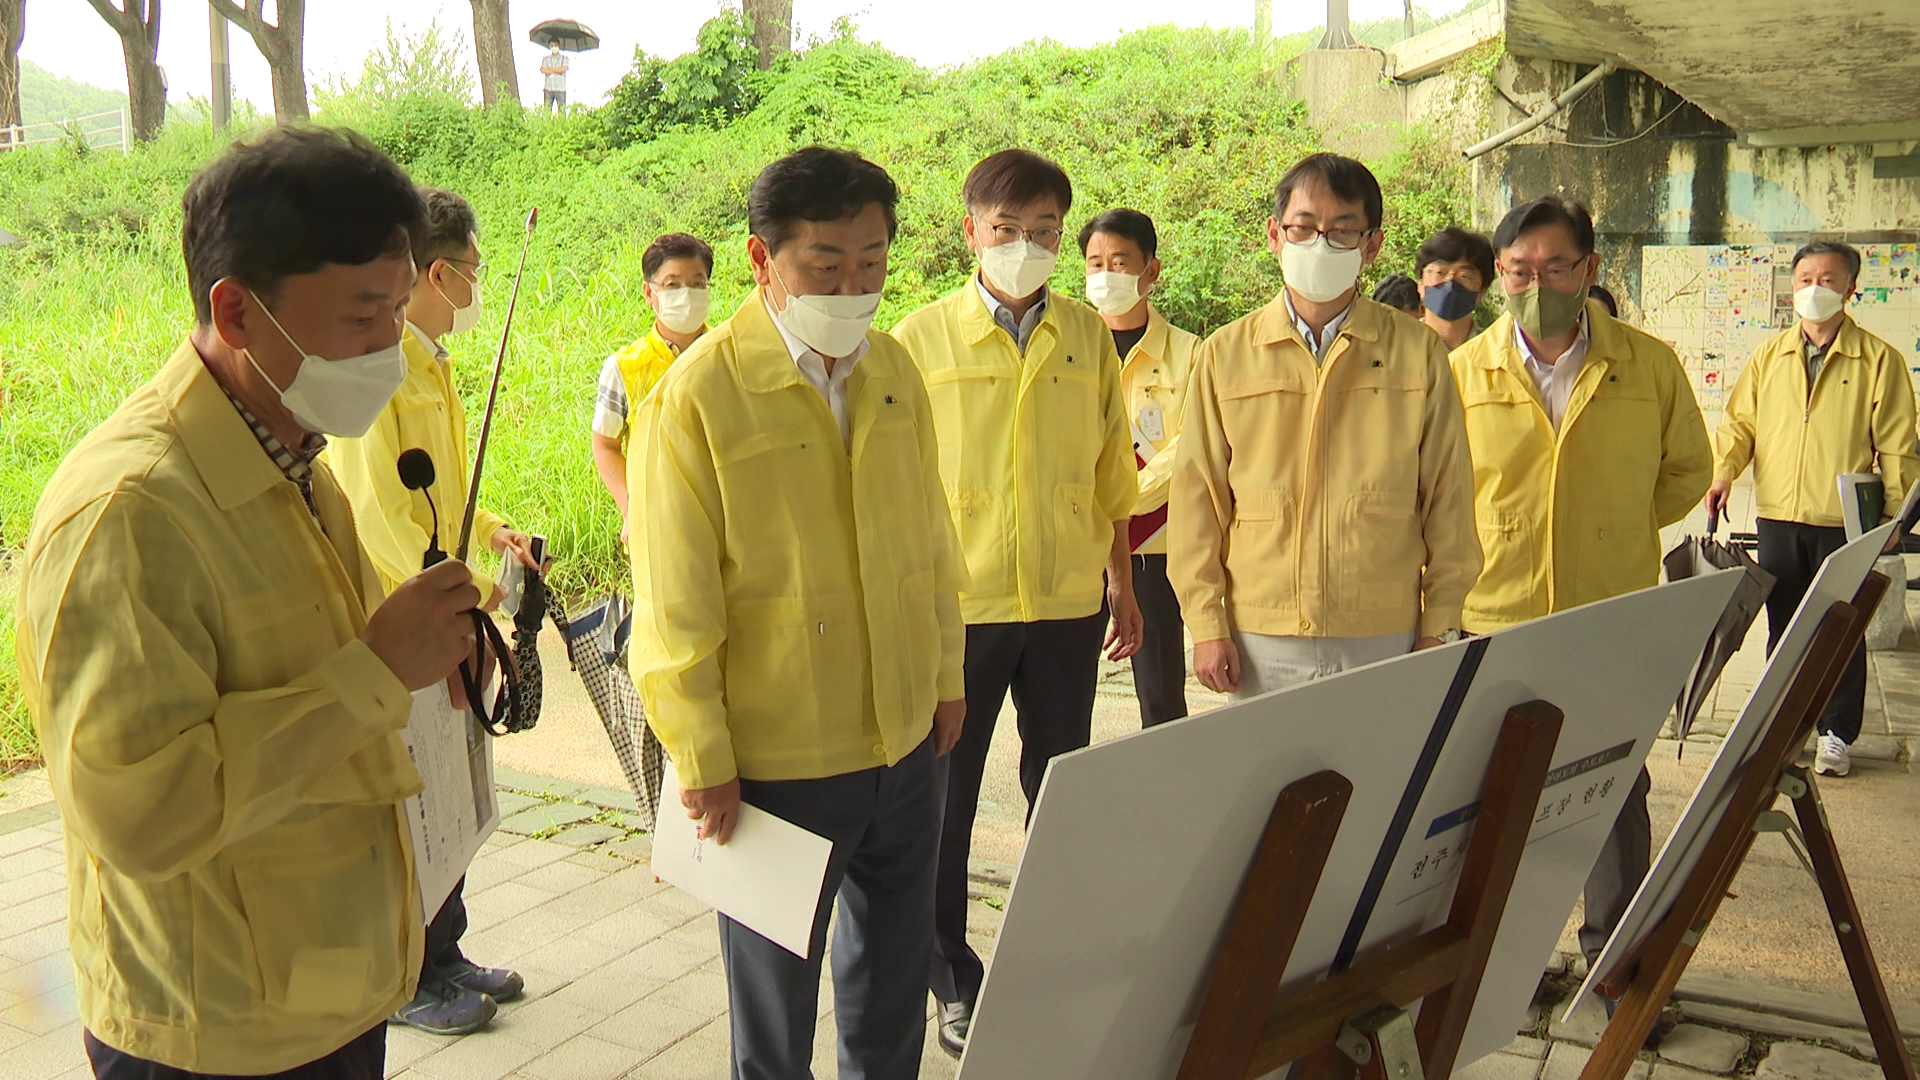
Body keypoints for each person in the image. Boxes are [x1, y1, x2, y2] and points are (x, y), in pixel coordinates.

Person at [14, 127, 492, 1079]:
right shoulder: (130, 512)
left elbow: (333, 674)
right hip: (217, 1031)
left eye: (399, 311)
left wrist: (426, 657)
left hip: (326, 991)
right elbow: (142, 812)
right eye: (361, 319)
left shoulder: (298, 457)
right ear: (235, 312)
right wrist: (378, 670)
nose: (391, 348)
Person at [628, 146, 967, 1078]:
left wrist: (946, 681)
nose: (854, 285)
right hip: (777, 769)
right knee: (775, 1024)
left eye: (873, 260)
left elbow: (932, 545)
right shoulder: (695, 401)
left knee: (890, 999)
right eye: (826, 263)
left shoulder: (892, 369)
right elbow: (673, 604)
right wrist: (701, 757)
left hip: (905, 751)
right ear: (760, 259)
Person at [891, 148, 1141, 1057]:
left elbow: (1113, 476)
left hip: (1068, 605)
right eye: (1007, 230)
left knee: (1061, 788)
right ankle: (952, 976)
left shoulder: (1086, 336)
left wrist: (1121, 583)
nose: (1025, 246)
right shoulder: (916, 342)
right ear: (972, 232)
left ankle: (1055, 959)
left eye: (1043, 232)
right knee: (945, 801)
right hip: (962, 611)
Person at [1450, 194, 1710, 977]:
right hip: (1495, 617)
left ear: (1591, 268)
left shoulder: (1647, 363)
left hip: (1610, 617)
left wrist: (1612, 528)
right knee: (1491, 801)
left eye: (1557, 266)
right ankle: (1489, 968)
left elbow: (1688, 470)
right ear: (1498, 276)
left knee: (1614, 789)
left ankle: (1617, 962)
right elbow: (1433, 490)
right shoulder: (1461, 371)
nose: (1538, 283)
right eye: (1520, 269)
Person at [323, 186, 540, 1037]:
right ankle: (406, 973)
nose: (477, 293)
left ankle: (444, 948)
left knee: (448, 787)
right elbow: (384, 521)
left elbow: (442, 489)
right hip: (404, 625)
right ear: (436, 273)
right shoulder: (379, 369)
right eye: (472, 276)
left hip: (445, 609)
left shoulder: (431, 360)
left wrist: (491, 531)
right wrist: (468, 600)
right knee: (409, 796)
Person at [1170, 152, 1480, 699]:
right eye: (1304, 227)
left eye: (1342, 231)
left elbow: (1449, 500)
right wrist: (1206, 623)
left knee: (1385, 780)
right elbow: (1197, 498)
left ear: (1372, 245)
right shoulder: (1225, 354)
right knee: (1262, 782)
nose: (1320, 243)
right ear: (1275, 234)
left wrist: (1441, 624)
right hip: (1260, 637)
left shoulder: (1418, 353)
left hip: (1383, 632)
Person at [1708, 240, 1919, 779]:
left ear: (1852, 288)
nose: (1813, 289)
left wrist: (1893, 518)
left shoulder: (1878, 360)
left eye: (1827, 279)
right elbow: (1740, 425)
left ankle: (1835, 733)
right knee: (1782, 626)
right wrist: (1724, 472)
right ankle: (1785, 725)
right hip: (1778, 514)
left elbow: (1897, 444)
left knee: (1838, 630)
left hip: (1842, 522)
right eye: (1804, 279)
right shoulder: (1768, 356)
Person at [1079, 207, 1200, 729]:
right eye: (1095, 264)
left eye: (1120, 262)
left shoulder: (1189, 354)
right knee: (1063, 698)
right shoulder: (1069, 348)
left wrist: (1118, 499)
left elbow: (1188, 450)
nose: (1106, 276)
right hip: (1079, 548)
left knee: (1161, 697)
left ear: (1151, 271)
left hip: (1154, 552)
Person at [591, 232, 714, 540]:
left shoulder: (729, 354)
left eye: (698, 284)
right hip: (658, 527)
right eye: (672, 285)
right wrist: (630, 508)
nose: (686, 294)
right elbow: (605, 444)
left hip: (728, 520)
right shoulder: (623, 368)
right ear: (649, 293)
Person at [1414, 226, 1494, 351]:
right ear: (1420, 285)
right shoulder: (1397, 349)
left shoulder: (1495, 352)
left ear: (1482, 292)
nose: (1450, 282)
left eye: (1464, 276)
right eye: (1439, 272)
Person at [541, 44, 569, 110]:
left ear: (559, 46)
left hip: (560, 89)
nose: (554, 47)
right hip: (548, 88)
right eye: (552, 45)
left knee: (562, 110)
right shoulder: (546, 59)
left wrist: (550, 69)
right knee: (547, 110)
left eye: (556, 45)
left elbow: (563, 69)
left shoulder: (564, 58)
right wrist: (557, 70)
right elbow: (543, 70)